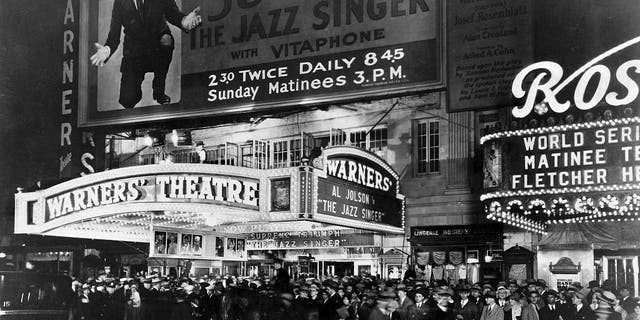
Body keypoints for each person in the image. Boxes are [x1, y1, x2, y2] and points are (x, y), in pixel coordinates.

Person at [90, 0, 202, 108]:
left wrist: (183, 21)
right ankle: (135, 89)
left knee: (166, 40)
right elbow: (114, 35)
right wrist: (107, 50)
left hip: (157, 45)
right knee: (127, 101)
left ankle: (158, 91)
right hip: (135, 53)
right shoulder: (120, 2)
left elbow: (172, 13)